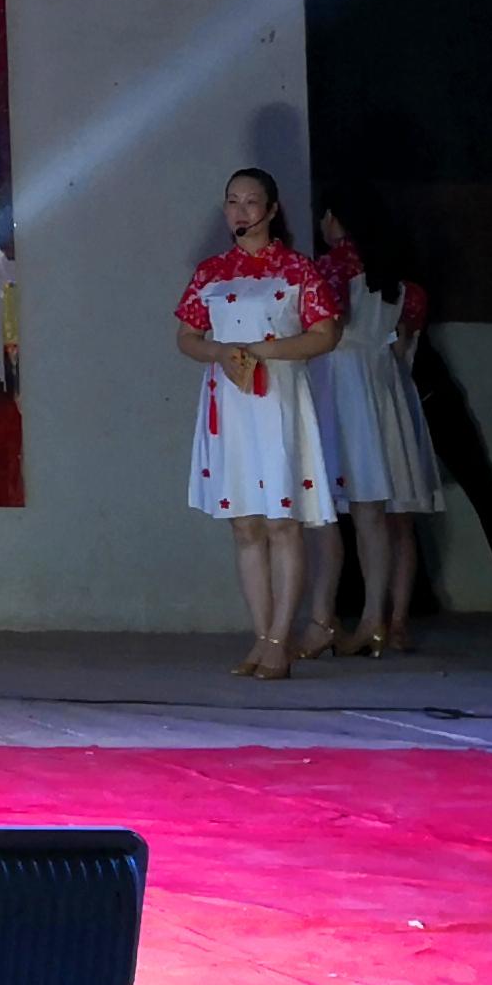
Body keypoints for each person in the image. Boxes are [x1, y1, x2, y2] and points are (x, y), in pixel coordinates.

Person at [172, 168, 339, 679]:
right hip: (231, 401)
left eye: (251, 201)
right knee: (245, 525)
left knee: (282, 523)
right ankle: (262, 636)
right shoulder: (211, 272)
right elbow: (186, 337)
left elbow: (325, 333)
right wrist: (220, 352)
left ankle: (281, 639)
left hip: (278, 401)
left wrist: (266, 350)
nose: (240, 211)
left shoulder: (297, 269)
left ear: (271, 209)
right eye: (232, 201)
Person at [301, 207, 444, 654]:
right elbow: (403, 348)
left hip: (339, 383)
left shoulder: (332, 267)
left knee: (332, 508)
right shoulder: (401, 281)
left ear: (334, 218)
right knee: (382, 514)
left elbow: (321, 328)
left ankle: (327, 618)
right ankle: (378, 622)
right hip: (385, 390)